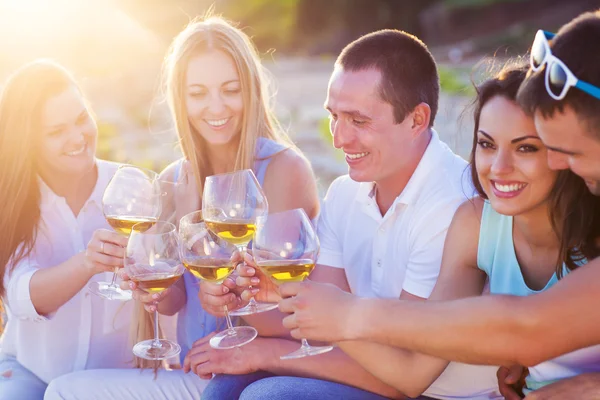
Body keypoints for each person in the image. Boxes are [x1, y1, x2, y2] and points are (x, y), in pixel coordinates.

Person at [278, 10, 600, 400]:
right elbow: (438, 340)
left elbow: (525, 329)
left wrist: (349, 315)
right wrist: (286, 295)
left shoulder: (450, 199)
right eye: (485, 144)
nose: (499, 168)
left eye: (534, 148)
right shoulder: (477, 222)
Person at [195, 29, 502, 400]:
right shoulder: (344, 193)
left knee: (270, 395)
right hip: (370, 373)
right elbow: (320, 332)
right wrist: (249, 298)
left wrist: (265, 352)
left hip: (436, 394)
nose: (339, 139)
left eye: (358, 121)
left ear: (417, 120)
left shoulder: (453, 206)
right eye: (334, 116)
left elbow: (406, 375)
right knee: (224, 386)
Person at [44, 15, 320, 400]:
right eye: (198, 93)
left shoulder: (282, 170)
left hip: (251, 374)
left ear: (251, 91)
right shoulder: (175, 178)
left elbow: (288, 309)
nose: (215, 106)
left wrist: (196, 232)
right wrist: (149, 286)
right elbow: (175, 301)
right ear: (180, 98)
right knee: (63, 389)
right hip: (196, 367)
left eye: (230, 89)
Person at [0, 60, 133, 400]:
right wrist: (87, 262)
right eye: (56, 132)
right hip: (30, 373)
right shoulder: (15, 203)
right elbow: (19, 296)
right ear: (28, 141)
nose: (77, 137)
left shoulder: (129, 188)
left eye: (81, 119)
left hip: (114, 381)